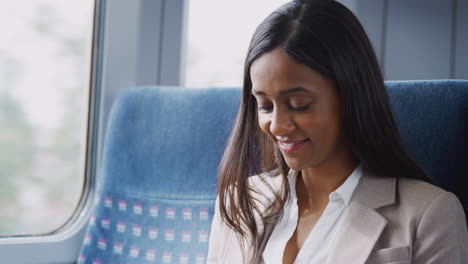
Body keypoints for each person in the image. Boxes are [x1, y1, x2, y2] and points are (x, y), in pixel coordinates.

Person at [207, 0, 467, 263]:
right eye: (264, 105)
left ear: (350, 97)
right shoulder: (238, 202)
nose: (276, 125)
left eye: (299, 105)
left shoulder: (428, 215)